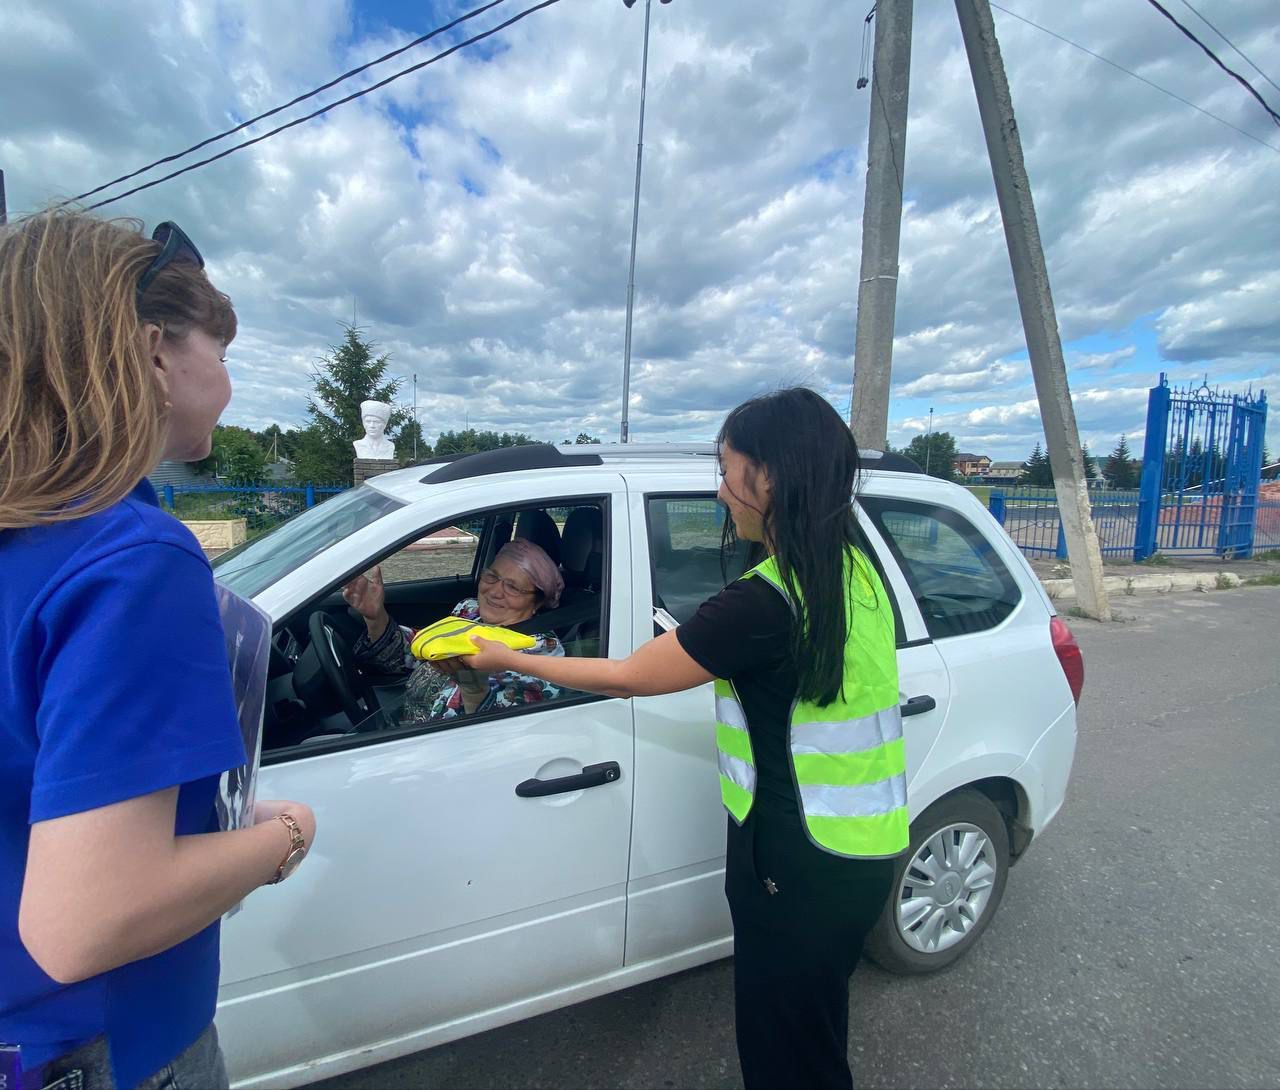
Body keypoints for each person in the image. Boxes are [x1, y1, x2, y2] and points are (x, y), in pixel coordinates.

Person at [461, 387, 907, 1090]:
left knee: (785, 1052)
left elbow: (632, 675)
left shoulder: (764, 601)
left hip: (793, 863)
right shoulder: (851, 567)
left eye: (728, 470)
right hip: (861, 851)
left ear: (771, 476)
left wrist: (505, 654)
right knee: (813, 1030)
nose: (721, 491)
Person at [0, 210, 317, 1090]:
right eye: (222, 352)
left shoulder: (32, 540)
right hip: (106, 1045)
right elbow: (86, 921)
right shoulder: (133, 555)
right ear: (152, 352)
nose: (228, 383)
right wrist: (285, 834)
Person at [343, 538, 566, 722]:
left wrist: (474, 689)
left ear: (537, 603)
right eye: (492, 577)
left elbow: (507, 730)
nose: (495, 592)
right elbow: (420, 649)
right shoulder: (470, 611)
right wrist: (376, 616)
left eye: (513, 587)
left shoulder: (543, 652)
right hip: (403, 720)